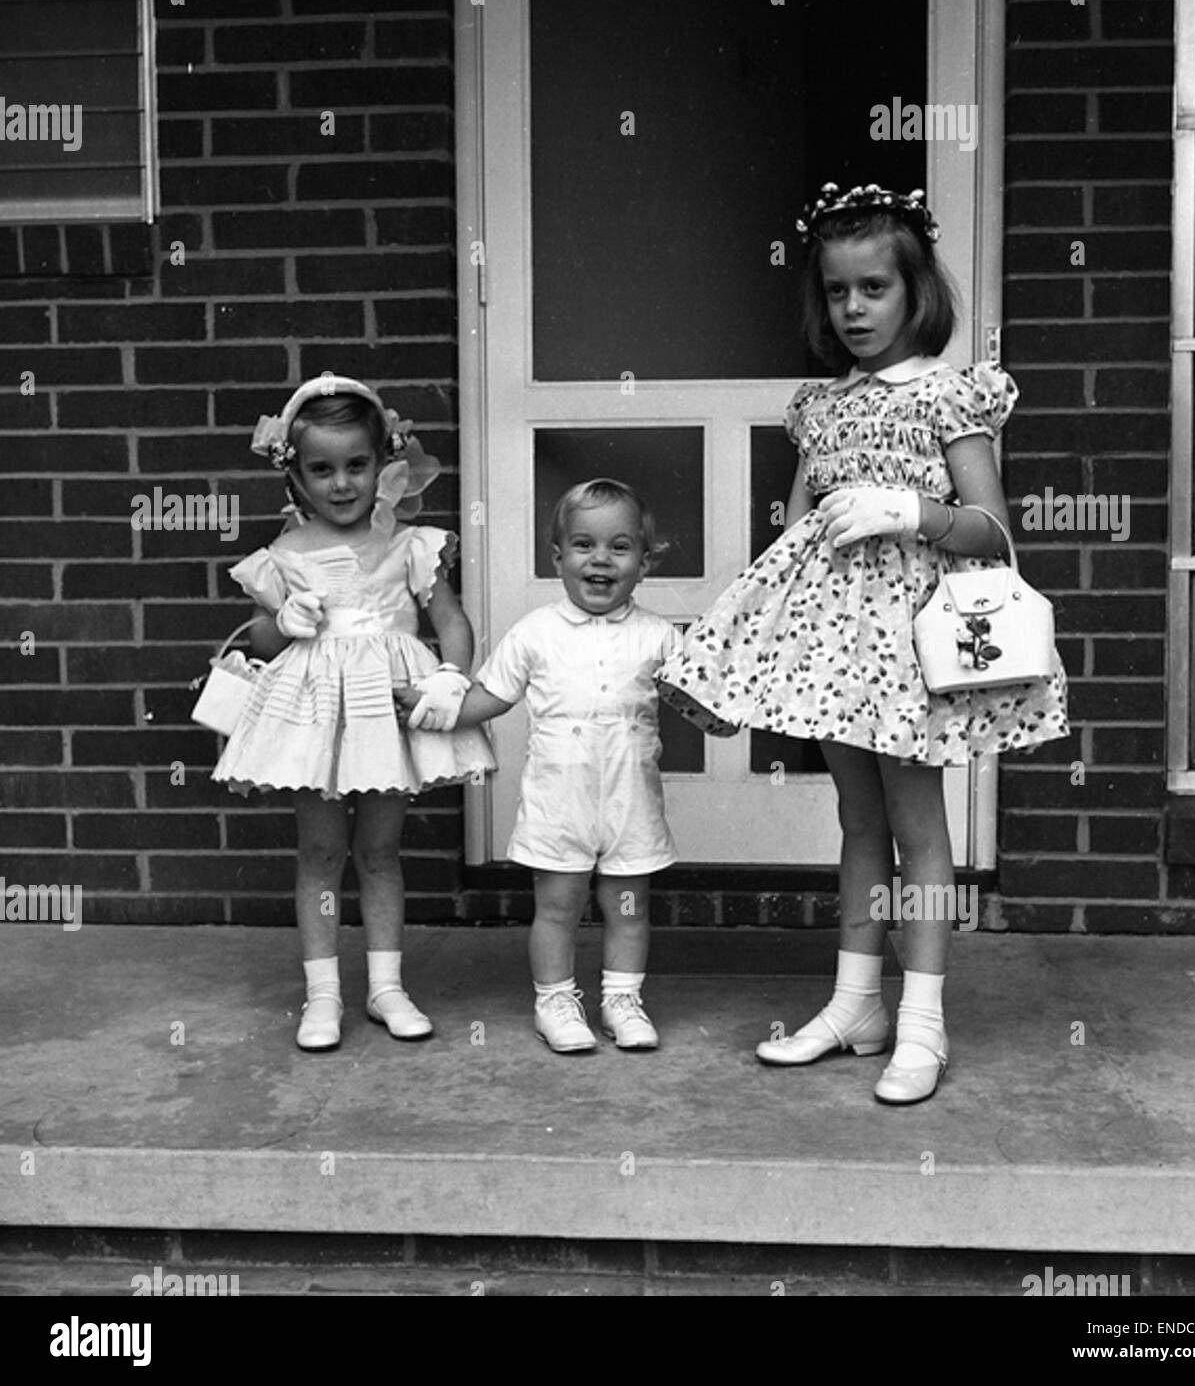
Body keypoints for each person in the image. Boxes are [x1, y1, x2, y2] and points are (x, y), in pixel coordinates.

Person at [656, 184, 1068, 1104]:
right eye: (838, 292)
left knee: (919, 824)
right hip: (838, 651)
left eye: (874, 288)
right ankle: (855, 1001)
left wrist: (913, 512)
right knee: (856, 819)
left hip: (916, 646)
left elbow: (992, 531)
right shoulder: (822, 407)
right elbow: (795, 539)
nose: (854, 309)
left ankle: (922, 1018)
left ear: (914, 290)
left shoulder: (950, 395)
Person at [213, 374, 495, 1052]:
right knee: (318, 849)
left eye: (357, 466)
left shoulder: (411, 545)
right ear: (297, 477)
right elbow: (261, 640)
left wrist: (451, 680)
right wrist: (283, 618)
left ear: (384, 465)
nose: (341, 484)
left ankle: (386, 987)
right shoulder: (284, 553)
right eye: (322, 470)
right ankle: (322, 993)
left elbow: (449, 620)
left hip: (381, 716)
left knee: (378, 850)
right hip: (311, 714)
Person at [397, 479, 677, 1054]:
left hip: (631, 801)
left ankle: (622, 1000)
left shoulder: (660, 636)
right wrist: (429, 706)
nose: (600, 558)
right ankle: (555, 1000)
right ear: (557, 558)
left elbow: (698, 700)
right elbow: (488, 698)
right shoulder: (535, 634)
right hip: (560, 803)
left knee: (629, 906)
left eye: (620, 547)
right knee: (557, 905)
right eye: (583, 545)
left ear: (644, 563)